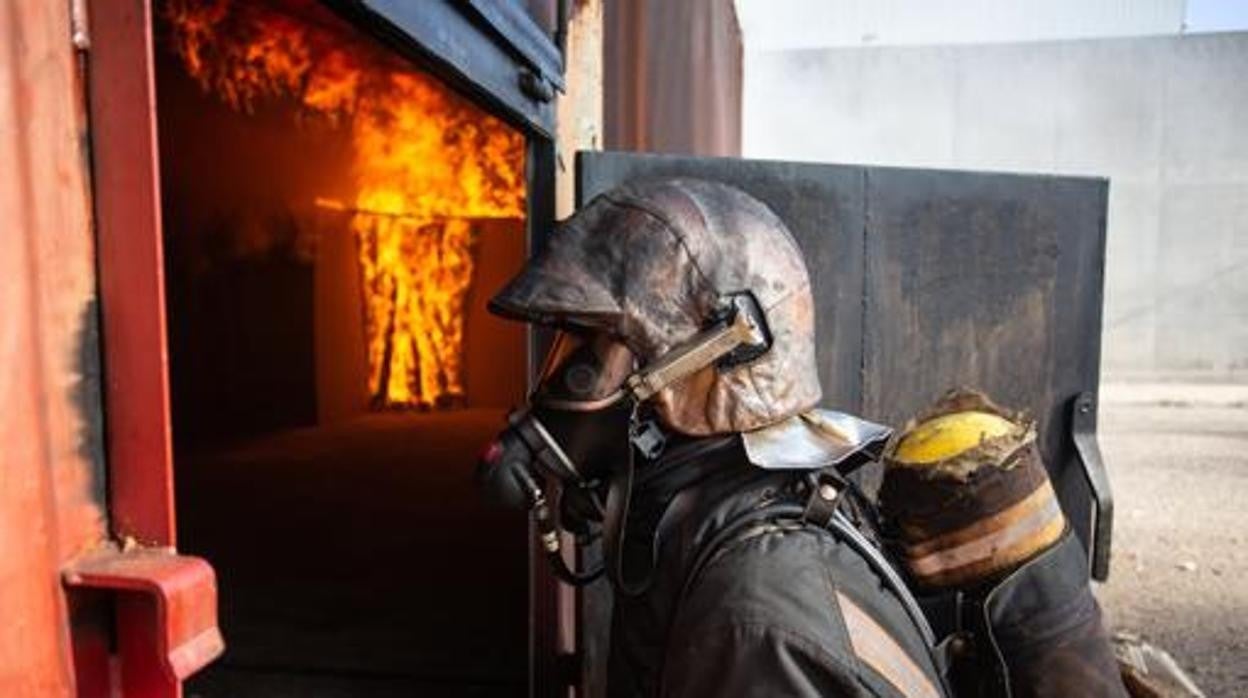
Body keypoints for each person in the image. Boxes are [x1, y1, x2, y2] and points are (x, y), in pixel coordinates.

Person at [476, 177, 1130, 697]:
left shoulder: (753, 616)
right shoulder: (719, 518)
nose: (564, 389)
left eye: (590, 360)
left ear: (714, 359)